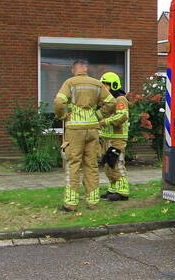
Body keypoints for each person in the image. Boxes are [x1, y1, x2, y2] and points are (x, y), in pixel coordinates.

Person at [53, 60, 116, 211]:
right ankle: (93, 201)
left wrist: (62, 116)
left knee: (73, 164)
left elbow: (59, 102)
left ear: (73, 70)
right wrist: (98, 115)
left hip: (75, 129)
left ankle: (71, 203)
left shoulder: (70, 82)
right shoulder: (96, 84)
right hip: (92, 128)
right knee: (91, 165)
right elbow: (112, 103)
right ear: (86, 69)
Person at [98, 71, 131, 201]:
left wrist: (104, 122)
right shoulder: (109, 101)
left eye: (106, 85)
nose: (104, 88)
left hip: (117, 139)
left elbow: (122, 116)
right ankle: (113, 188)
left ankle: (123, 191)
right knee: (108, 165)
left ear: (114, 85)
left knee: (117, 164)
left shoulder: (120, 99)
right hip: (107, 138)